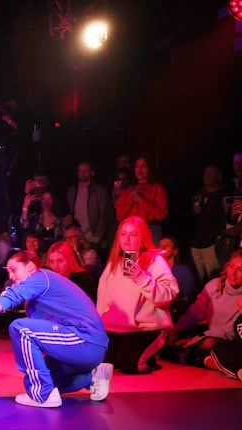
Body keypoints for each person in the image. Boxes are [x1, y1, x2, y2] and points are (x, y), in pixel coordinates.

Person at [0, 251, 113, 408]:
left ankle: (43, 395)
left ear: (30, 266)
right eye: (8, 272)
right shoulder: (39, 290)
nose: (11, 276)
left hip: (85, 341)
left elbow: (6, 300)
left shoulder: (40, 278)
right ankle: (92, 377)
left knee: (21, 328)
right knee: (42, 378)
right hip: (85, 347)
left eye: (14, 269)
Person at [96, 216, 179, 374]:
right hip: (115, 327)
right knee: (100, 361)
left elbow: (169, 294)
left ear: (143, 238)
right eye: (123, 234)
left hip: (145, 327)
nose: (127, 239)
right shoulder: (114, 262)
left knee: (129, 364)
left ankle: (150, 359)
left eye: (133, 235)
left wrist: (142, 278)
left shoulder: (154, 260)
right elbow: (102, 298)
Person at [165, 251, 242, 366]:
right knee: (166, 336)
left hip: (230, 341)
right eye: (231, 267)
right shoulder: (214, 285)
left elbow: (232, 330)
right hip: (208, 335)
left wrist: (200, 337)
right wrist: (176, 329)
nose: (233, 273)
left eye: (240, 270)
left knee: (208, 344)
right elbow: (195, 313)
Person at [188, 163, 230, 284]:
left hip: (212, 245)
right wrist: (193, 211)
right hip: (195, 245)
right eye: (206, 173)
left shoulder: (224, 195)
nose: (207, 175)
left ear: (219, 176)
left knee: (214, 281)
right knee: (197, 282)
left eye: (211, 173)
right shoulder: (198, 194)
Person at [114, 157, 168, 244]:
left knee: (151, 257)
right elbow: (119, 216)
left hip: (151, 230)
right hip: (130, 231)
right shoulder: (127, 190)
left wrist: (142, 201)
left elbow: (161, 214)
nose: (140, 169)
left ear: (149, 168)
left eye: (143, 166)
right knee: (129, 257)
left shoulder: (157, 187)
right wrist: (130, 202)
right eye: (137, 166)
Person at [64, 161, 114, 252]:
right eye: (80, 170)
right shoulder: (72, 190)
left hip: (93, 238)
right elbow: (68, 211)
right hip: (76, 237)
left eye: (85, 170)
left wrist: (97, 236)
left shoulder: (99, 190)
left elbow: (105, 215)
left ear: (92, 172)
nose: (82, 173)